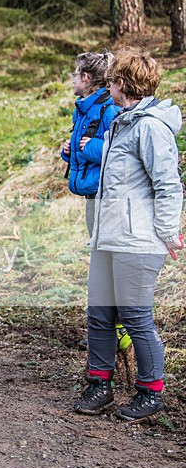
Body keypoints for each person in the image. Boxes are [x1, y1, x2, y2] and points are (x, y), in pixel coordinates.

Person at [74, 49, 184, 422]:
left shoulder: (150, 128)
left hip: (138, 242)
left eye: (112, 81)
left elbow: (168, 185)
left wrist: (168, 232)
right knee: (99, 314)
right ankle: (99, 385)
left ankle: (151, 392)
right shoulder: (121, 123)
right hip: (109, 238)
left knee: (136, 317)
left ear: (122, 84)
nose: (109, 87)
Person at [61, 52, 122, 351]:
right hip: (90, 195)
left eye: (75, 74)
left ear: (85, 78)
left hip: (104, 197)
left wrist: (90, 148)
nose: (72, 78)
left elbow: (118, 152)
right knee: (100, 263)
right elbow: (84, 148)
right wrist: (69, 150)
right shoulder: (84, 109)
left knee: (107, 265)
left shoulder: (109, 109)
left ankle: (117, 332)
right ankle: (104, 332)